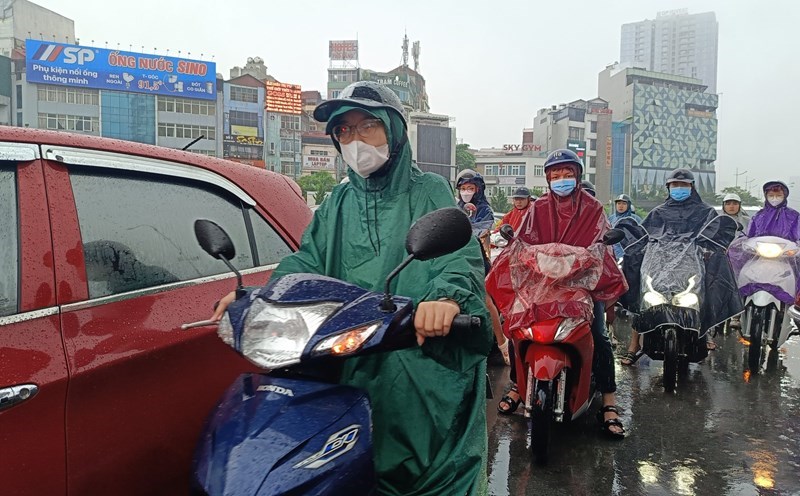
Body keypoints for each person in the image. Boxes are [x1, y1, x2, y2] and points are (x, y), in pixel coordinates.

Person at [210, 81, 492, 495]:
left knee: (431, 470)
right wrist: (261, 296)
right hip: (349, 356)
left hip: (418, 355)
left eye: (367, 126)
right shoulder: (338, 203)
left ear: (394, 131)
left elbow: (458, 256)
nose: (355, 140)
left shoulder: (428, 190)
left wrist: (445, 299)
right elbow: (307, 260)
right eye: (344, 131)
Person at [488, 149, 628, 438]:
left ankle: (609, 401)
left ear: (577, 177)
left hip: (581, 285)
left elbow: (601, 245)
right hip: (541, 284)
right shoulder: (537, 209)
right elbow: (523, 244)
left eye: (567, 175)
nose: (561, 180)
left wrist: (584, 259)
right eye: (556, 176)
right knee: (518, 329)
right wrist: (520, 250)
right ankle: (517, 384)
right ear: (548, 179)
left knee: (599, 336)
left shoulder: (593, 208)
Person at [620, 169, 720, 364]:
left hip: (692, 267)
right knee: (642, 297)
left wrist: (710, 250)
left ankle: (706, 330)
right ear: (668, 187)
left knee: (709, 288)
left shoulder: (706, 212)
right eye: (675, 185)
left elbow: (713, 235)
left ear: (692, 187)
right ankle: (634, 344)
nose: (679, 188)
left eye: (683, 185)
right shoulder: (658, 213)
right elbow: (643, 237)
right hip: (659, 268)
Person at [608, 194, 643, 259]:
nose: (621, 206)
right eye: (618, 203)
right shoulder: (611, 219)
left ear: (628, 205)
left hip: (629, 254)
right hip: (612, 254)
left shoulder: (635, 219)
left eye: (624, 204)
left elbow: (642, 236)